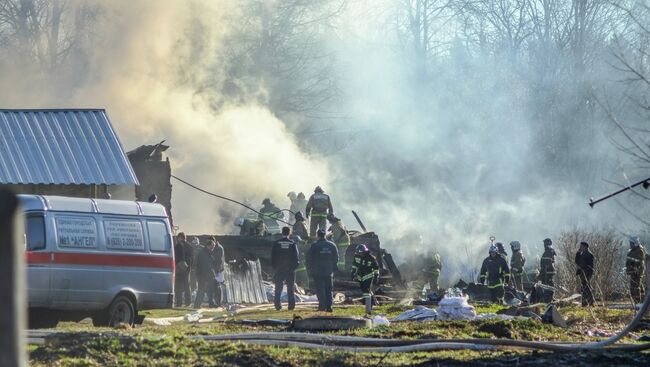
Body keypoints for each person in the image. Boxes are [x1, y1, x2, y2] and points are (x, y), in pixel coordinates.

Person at [306, 228, 339, 312]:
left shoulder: (314, 245)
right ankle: (329, 307)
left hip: (318, 271)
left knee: (320, 289)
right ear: (325, 235)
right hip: (329, 271)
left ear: (317, 235)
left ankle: (322, 306)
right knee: (329, 289)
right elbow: (336, 258)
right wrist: (332, 267)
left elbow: (309, 258)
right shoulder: (332, 245)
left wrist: (310, 268)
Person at [271, 227, 299, 310]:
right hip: (290, 269)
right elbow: (296, 258)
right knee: (290, 288)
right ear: (289, 233)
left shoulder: (276, 243)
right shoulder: (292, 243)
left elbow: (273, 257)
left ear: (282, 232)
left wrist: (275, 268)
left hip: (279, 269)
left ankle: (277, 305)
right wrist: (293, 268)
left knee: (278, 288)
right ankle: (291, 306)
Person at [351, 244, 379, 315]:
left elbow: (376, 268)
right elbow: (354, 265)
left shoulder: (371, 258)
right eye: (358, 253)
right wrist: (352, 273)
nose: (359, 254)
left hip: (368, 276)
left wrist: (376, 276)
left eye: (360, 253)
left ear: (364, 252)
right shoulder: (356, 256)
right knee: (365, 291)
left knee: (366, 292)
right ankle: (370, 302)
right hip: (360, 276)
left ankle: (369, 310)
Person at [193, 240, 217, 308]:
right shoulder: (204, 253)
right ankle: (197, 304)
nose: (213, 248)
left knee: (209, 290)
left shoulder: (205, 252)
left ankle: (211, 303)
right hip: (203, 275)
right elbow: (205, 265)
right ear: (208, 245)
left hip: (205, 274)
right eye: (212, 246)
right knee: (201, 290)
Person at [174, 233, 193, 307]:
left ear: (180, 237)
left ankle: (179, 302)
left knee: (178, 286)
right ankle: (188, 302)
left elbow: (176, 257)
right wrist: (189, 267)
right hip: (187, 268)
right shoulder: (189, 246)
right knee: (187, 286)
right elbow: (192, 258)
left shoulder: (178, 246)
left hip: (179, 268)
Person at [625, 236, 646, 304]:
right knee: (638, 287)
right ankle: (642, 302)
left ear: (635, 243)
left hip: (637, 273)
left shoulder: (639, 250)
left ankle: (638, 303)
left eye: (631, 243)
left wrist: (634, 269)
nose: (630, 244)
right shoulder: (631, 251)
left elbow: (639, 262)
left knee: (635, 288)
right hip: (632, 273)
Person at [292, 212, 310, 287]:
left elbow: (298, 235)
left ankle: (303, 287)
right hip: (303, 245)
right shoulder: (302, 223)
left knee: (300, 271)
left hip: (300, 244)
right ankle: (305, 287)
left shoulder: (299, 224)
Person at [575, 241, 595, 307]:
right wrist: (578, 253)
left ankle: (588, 302)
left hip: (586, 273)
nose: (580, 247)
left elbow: (590, 266)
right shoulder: (581, 254)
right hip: (582, 273)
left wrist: (587, 273)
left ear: (585, 247)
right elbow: (576, 261)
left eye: (581, 246)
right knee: (584, 287)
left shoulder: (589, 255)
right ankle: (586, 302)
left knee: (586, 287)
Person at [211, 239, 226, 307]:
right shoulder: (219, 247)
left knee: (218, 286)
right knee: (216, 286)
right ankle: (217, 301)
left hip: (218, 270)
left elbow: (219, 260)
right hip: (218, 269)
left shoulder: (218, 248)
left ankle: (218, 301)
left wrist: (216, 270)